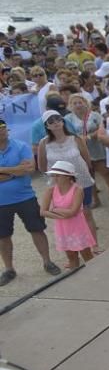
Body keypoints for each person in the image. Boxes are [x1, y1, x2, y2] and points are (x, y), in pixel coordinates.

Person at [0, 117, 62, 283]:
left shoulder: (20, 146)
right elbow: (21, 169)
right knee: (2, 237)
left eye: (3, 127)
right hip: (1, 203)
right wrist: (16, 170)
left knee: (37, 229)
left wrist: (4, 171)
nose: (1, 131)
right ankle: (9, 269)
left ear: (7, 129)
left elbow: (29, 169)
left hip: (25, 197)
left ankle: (47, 262)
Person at [37, 109, 98, 250]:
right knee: (64, 215)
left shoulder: (75, 138)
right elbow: (41, 166)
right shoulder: (44, 143)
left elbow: (87, 160)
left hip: (81, 179)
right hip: (59, 185)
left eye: (57, 119)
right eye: (51, 121)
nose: (55, 123)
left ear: (62, 120)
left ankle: (94, 245)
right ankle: (72, 248)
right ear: (47, 126)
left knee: (86, 212)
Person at [39, 161, 96, 269]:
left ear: (68, 176)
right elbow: (42, 212)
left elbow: (73, 212)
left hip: (78, 227)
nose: (54, 178)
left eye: (57, 175)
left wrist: (54, 209)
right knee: (71, 257)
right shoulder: (50, 190)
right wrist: (63, 214)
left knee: (87, 256)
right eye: (54, 175)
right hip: (63, 229)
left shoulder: (78, 189)